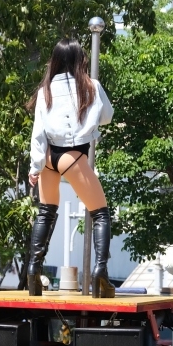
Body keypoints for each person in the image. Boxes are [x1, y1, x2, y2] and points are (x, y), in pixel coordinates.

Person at [26, 38, 115, 298]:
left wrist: (35, 166)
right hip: (72, 157)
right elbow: (107, 117)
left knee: (45, 213)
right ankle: (100, 273)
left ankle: (33, 270)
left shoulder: (45, 91)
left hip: (48, 158)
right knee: (100, 214)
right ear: (79, 59)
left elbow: (37, 133)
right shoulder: (91, 86)